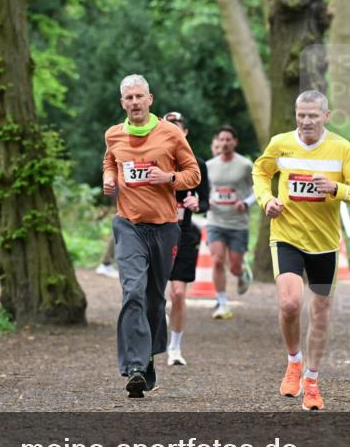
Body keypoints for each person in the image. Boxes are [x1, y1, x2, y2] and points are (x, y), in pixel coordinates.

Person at [252, 90, 350, 410]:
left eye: (312, 116)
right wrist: (267, 200)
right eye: (301, 115)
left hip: (324, 244)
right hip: (287, 235)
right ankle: (294, 362)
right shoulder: (280, 143)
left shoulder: (341, 149)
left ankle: (313, 380)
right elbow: (260, 173)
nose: (305, 121)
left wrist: (335, 188)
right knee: (290, 304)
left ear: (326, 117)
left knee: (320, 311)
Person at [102, 75, 200, 398]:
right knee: (133, 293)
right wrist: (109, 177)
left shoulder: (170, 134)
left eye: (139, 96)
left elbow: (193, 174)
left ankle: (147, 360)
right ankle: (134, 366)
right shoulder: (114, 134)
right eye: (128, 97)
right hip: (128, 225)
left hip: (164, 227)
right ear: (122, 103)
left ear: (150, 99)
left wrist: (168, 177)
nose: (134, 102)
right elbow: (110, 161)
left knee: (155, 300)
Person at [163, 111, 210, 366]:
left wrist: (197, 204)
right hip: (155, 234)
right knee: (153, 294)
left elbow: (206, 201)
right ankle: (151, 343)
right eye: (167, 126)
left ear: (185, 132)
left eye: (176, 127)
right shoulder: (153, 160)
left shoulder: (198, 164)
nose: (172, 131)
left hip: (184, 234)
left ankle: (175, 348)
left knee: (178, 294)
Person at [205, 125, 255, 319]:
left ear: (235, 142)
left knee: (233, 267)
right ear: (217, 142)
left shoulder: (245, 165)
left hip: (238, 223)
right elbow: (205, 190)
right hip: (215, 221)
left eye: (228, 139)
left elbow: (258, 190)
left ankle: (242, 271)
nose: (224, 143)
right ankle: (222, 303)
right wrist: (206, 202)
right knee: (217, 261)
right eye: (221, 140)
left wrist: (246, 203)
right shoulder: (209, 165)